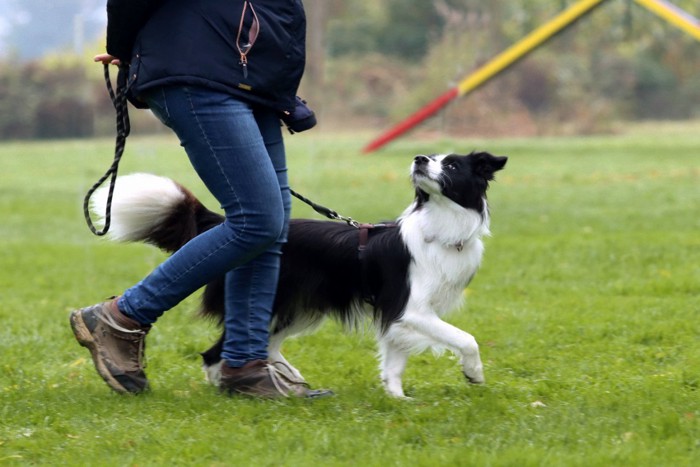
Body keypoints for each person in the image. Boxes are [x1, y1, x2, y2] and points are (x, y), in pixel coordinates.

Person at [70, 0, 330, 398]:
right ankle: (122, 316)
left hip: (251, 78)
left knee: (270, 227)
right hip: (200, 69)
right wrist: (126, 47)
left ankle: (245, 365)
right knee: (257, 220)